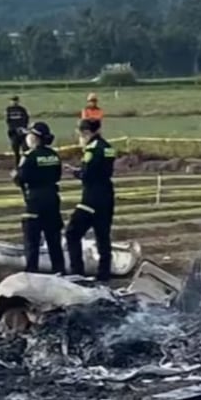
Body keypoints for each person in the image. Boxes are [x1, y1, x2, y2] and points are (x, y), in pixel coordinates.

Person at [64, 118, 115, 282]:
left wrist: (74, 172)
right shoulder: (108, 147)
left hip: (92, 197)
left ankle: (77, 272)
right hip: (107, 195)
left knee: (72, 233)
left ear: (86, 133)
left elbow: (88, 174)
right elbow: (102, 170)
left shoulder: (91, 149)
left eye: (80, 135)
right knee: (103, 236)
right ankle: (104, 273)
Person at [13, 122, 65, 274]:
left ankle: (32, 272)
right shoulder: (53, 155)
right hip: (52, 197)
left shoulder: (29, 156)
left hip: (35, 200)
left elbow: (21, 178)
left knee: (32, 240)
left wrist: (15, 177)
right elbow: (57, 175)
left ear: (35, 137)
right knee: (54, 239)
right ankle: (59, 270)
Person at [5, 95, 30, 163]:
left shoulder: (22, 109)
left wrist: (23, 128)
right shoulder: (8, 109)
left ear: (18, 101)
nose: (13, 102)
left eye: (15, 100)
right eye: (12, 100)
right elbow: (8, 121)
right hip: (13, 132)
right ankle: (18, 165)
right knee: (16, 150)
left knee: (25, 149)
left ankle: (26, 163)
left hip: (22, 132)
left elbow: (26, 120)